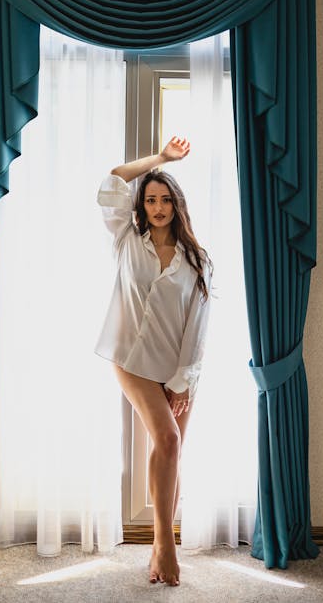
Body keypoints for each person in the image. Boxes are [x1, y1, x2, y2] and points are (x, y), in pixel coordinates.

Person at [95, 135, 213, 587]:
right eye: (150, 199)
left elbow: (198, 327)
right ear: (141, 207)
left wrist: (183, 380)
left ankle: (160, 546)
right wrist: (160, 159)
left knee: (171, 451)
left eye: (165, 200)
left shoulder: (196, 260)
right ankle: (165, 543)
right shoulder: (126, 239)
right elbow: (112, 180)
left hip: (180, 368)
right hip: (130, 357)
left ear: (176, 206)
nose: (158, 207)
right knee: (166, 437)